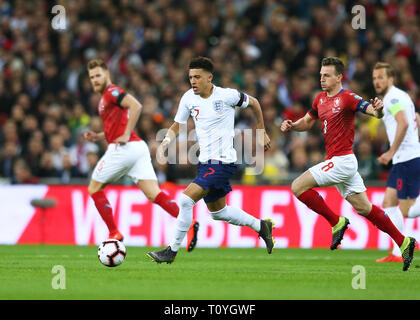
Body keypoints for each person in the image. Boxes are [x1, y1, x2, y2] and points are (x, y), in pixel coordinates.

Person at [280, 57, 416, 271]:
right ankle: (404, 242)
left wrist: (378, 109)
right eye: (321, 75)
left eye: (327, 75)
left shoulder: (347, 98)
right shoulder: (320, 99)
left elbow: (371, 110)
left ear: (339, 77)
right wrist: (292, 125)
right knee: (365, 209)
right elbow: (307, 121)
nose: (322, 79)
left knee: (297, 186)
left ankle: (336, 222)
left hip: (342, 161)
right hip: (339, 163)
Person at [146, 56, 273, 264]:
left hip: (222, 162)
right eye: (190, 77)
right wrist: (165, 142)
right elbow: (177, 125)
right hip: (205, 163)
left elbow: (255, 103)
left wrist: (261, 131)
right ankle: (261, 226)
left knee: (186, 200)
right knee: (219, 212)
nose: (193, 81)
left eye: (197, 77)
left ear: (209, 78)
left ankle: (171, 250)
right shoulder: (188, 98)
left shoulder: (227, 96)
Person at [84, 58, 199, 251]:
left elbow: (136, 106)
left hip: (124, 149)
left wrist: (126, 133)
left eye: (98, 75)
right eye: (92, 77)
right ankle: (189, 222)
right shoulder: (105, 99)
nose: (95, 80)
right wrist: (99, 135)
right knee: (154, 194)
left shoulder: (112, 91)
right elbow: (114, 126)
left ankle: (114, 232)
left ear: (107, 75)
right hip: (138, 149)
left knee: (94, 188)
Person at [372, 62, 420, 263]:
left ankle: (399, 251)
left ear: (391, 79)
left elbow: (404, 121)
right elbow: (415, 116)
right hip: (406, 157)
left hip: (405, 159)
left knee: (408, 211)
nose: (377, 82)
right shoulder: (401, 96)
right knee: (389, 203)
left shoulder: (392, 98)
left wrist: (391, 152)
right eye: (374, 78)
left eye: (381, 77)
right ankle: (398, 252)